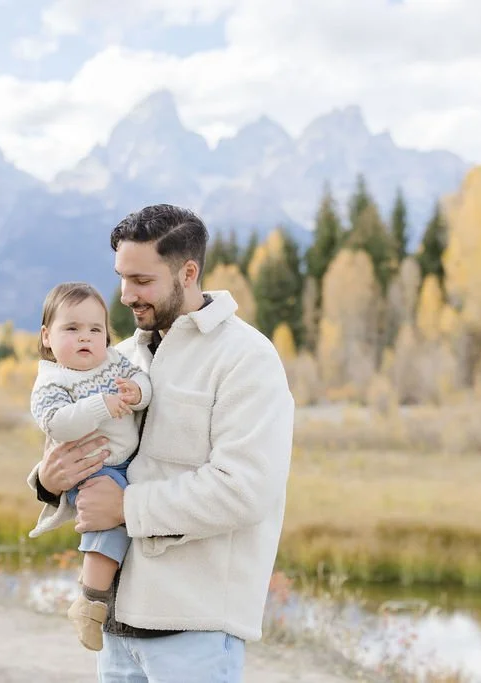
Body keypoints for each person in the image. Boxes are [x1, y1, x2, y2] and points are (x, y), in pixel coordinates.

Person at [26, 204, 295, 682]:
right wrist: (47, 480)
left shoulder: (247, 358)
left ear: (187, 272)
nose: (126, 295)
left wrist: (128, 506)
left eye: (142, 280)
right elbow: (87, 445)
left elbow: (245, 490)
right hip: (116, 635)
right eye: (121, 278)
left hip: (194, 635)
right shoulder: (119, 358)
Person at [26, 282, 152, 652]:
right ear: (47, 336)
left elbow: (141, 378)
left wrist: (137, 392)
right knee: (109, 529)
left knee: (120, 527)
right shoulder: (53, 379)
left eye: (95, 330)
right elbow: (57, 423)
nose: (86, 338)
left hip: (125, 464)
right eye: (72, 329)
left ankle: (96, 599)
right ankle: (90, 600)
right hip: (95, 467)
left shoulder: (114, 361)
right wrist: (101, 404)